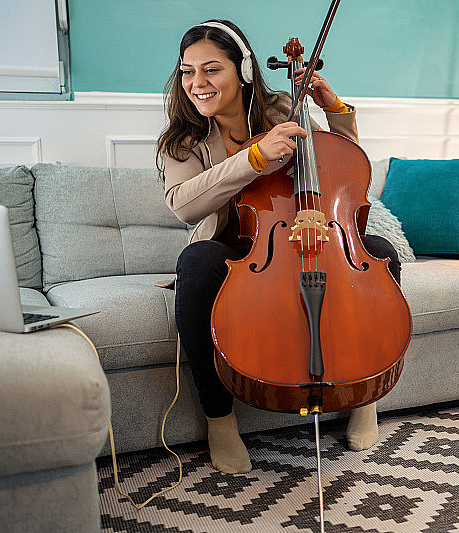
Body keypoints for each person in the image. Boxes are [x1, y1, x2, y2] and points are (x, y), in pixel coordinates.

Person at [156, 20, 400, 474]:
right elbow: (184, 206)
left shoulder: (280, 108)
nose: (197, 84)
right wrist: (252, 158)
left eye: (211, 70)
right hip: (234, 252)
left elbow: (341, 164)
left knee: (380, 252)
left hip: (301, 236)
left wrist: (335, 108)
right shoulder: (182, 141)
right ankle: (220, 420)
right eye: (188, 72)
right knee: (196, 262)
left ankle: (364, 397)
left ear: (244, 70)